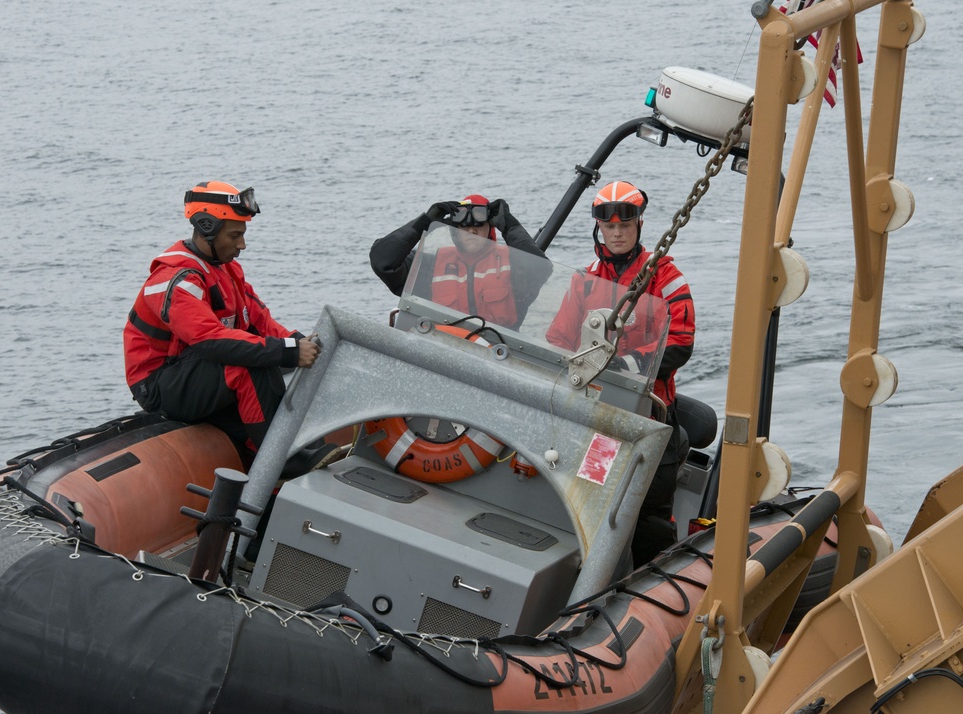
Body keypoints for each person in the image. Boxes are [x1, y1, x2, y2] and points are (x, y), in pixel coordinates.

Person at [123, 181, 336, 471]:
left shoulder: (226, 269)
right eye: (235, 235)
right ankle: (281, 461)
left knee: (264, 352)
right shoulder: (176, 280)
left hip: (194, 369)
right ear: (207, 227)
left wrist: (297, 341)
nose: (242, 245)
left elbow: (259, 319)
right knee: (250, 363)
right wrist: (288, 351)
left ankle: (286, 451)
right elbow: (210, 339)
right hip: (160, 384)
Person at [547, 180, 695, 567]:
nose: (616, 233)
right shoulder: (584, 280)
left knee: (652, 517)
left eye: (624, 226)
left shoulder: (665, 276)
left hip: (650, 414)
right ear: (600, 228)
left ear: (639, 225)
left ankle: (650, 582)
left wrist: (627, 368)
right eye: (609, 226)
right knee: (590, 499)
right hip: (599, 417)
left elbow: (681, 343)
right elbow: (559, 340)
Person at [370, 194, 549, 329]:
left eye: (479, 224)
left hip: (500, 354)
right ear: (454, 230)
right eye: (464, 225)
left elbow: (540, 269)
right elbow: (383, 262)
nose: (471, 231)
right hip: (443, 353)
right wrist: (423, 223)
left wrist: (510, 225)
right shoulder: (431, 266)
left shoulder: (510, 265)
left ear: (491, 227)